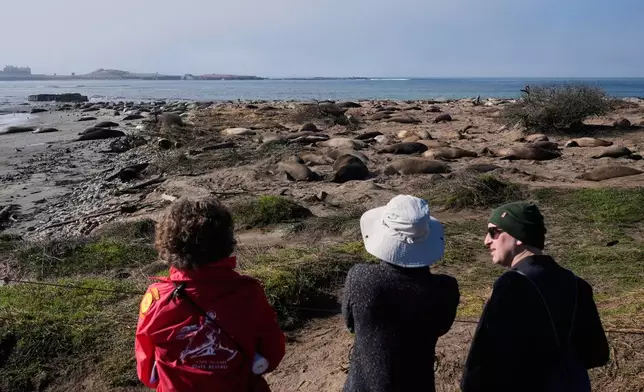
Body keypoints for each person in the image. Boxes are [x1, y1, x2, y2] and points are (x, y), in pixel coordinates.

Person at [135, 197, 285, 392]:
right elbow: (272, 353)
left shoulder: (156, 297)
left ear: (168, 247)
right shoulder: (249, 292)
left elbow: (145, 369)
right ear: (226, 243)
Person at [461, 201, 610, 392]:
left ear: (518, 236)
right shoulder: (577, 284)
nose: (487, 241)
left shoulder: (511, 285)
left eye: (493, 232)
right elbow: (596, 354)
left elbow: (481, 363)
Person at [342, 195, 460, 392]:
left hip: (363, 386)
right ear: (427, 236)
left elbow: (350, 324)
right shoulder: (445, 288)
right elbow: (442, 328)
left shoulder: (360, 277)